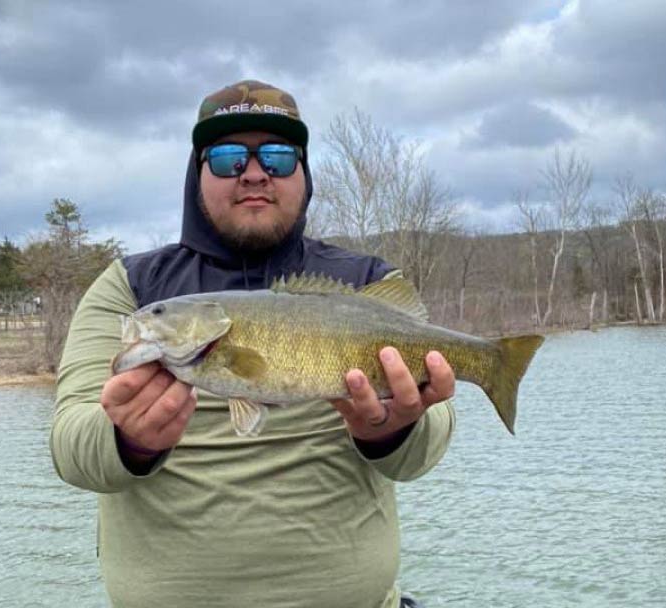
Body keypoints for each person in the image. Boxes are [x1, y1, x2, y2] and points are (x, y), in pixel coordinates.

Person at [51, 79, 456, 608]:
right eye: (226, 157)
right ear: (196, 176)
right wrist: (129, 441)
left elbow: (424, 448)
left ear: (304, 174)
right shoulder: (131, 288)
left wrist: (394, 433)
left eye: (279, 156)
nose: (255, 173)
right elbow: (71, 448)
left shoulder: (365, 284)